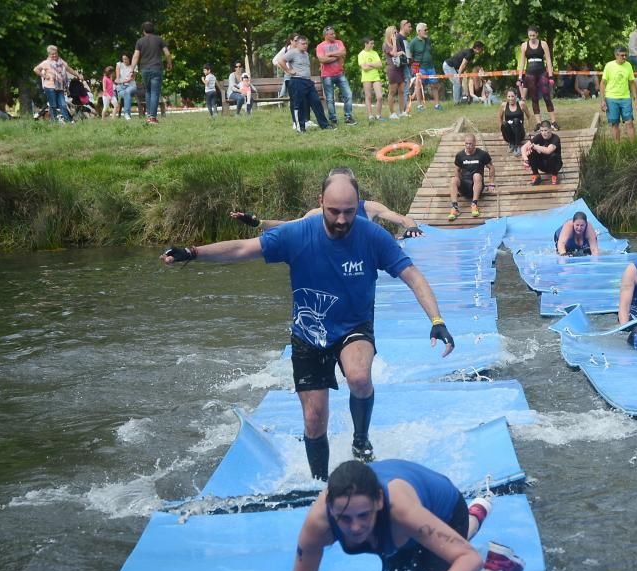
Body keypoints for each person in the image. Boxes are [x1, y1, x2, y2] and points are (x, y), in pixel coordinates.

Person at [161, 169, 454, 474]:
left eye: (349, 212)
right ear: (320, 203)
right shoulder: (298, 233)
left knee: (359, 377)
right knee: (314, 422)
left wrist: (436, 319)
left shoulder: (372, 236)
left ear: (358, 205)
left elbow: (413, 275)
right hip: (308, 334)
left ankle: (361, 439)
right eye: (334, 212)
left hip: (354, 326)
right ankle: (320, 484)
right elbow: (241, 248)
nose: (342, 220)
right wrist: (193, 252)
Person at [281, 459, 524, 571]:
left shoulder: (401, 511)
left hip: (444, 512)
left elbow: (469, 558)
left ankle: (498, 568)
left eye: (363, 516)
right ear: (331, 508)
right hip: (413, 524)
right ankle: (477, 514)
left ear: (378, 501)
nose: (355, 528)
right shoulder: (317, 526)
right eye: (344, 519)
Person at [230, 171, 425, 239]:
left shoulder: (369, 207)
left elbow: (403, 219)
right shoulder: (317, 213)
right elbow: (289, 226)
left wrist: (412, 227)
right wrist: (257, 222)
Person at [278, 34, 332, 132]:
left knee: (316, 102)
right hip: (297, 81)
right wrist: (288, 70)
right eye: (303, 44)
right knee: (299, 105)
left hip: (308, 82)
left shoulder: (306, 54)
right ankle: (300, 127)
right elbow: (280, 60)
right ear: (297, 44)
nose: (305, 45)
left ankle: (325, 125)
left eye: (306, 43)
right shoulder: (292, 52)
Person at [132, 21, 173, 124]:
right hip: (156, 68)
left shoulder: (140, 41)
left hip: (145, 69)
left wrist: (132, 69)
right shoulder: (159, 39)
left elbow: (136, 56)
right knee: (155, 92)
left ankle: (149, 116)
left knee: (148, 91)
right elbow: (167, 54)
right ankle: (153, 118)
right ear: (153, 29)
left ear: (143, 31)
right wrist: (169, 64)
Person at [517, 27, 557, 130]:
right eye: (530, 36)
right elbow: (522, 62)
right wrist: (520, 77)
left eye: (533, 35)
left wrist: (551, 76)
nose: (532, 38)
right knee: (534, 98)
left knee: (546, 96)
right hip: (530, 73)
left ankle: (553, 121)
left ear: (537, 34)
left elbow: (548, 60)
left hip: (542, 72)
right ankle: (538, 123)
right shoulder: (524, 45)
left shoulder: (543, 44)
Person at [316, 26, 357, 127]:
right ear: (326, 35)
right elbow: (322, 60)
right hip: (327, 75)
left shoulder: (339, 42)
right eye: (331, 34)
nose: (334, 35)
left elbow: (343, 52)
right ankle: (333, 119)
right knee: (330, 99)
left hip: (340, 73)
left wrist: (329, 54)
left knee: (348, 94)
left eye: (334, 33)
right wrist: (336, 57)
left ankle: (348, 117)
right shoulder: (320, 46)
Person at [448, 134, 494, 221]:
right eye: (467, 144)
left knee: (476, 175)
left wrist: (491, 183)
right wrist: (457, 187)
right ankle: (455, 207)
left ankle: (474, 204)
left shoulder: (482, 154)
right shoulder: (460, 155)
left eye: (471, 144)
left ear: (475, 143)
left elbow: (491, 167)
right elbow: (457, 170)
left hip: (477, 185)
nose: (468, 146)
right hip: (464, 186)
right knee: (453, 179)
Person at [34, 45, 83, 123]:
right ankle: (54, 122)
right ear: (48, 54)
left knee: (63, 105)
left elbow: (68, 69)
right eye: (52, 54)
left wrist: (77, 75)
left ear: (57, 53)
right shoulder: (46, 63)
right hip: (49, 87)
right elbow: (36, 69)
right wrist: (44, 76)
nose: (54, 55)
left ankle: (68, 121)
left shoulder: (61, 62)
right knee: (53, 105)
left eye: (55, 53)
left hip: (60, 87)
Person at [600, 46, 637, 142]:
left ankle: (633, 146)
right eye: (622, 55)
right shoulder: (609, 66)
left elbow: (631, 82)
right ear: (616, 55)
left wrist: (636, 98)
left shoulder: (628, 65)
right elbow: (603, 83)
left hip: (625, 98)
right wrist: (602, 100)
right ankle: (617, 147)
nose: (624, 57)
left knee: (629, 123)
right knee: (614, 124)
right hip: (611, 98)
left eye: (626, 55)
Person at [409, 23, 442, 111]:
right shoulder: (413, 42)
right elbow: (410, 56)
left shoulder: (428, 40)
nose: (427, 31)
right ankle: (419, 105)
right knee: (419, 85)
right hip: (421, 67)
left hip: (431, 67)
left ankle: (437, 104)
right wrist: (415, 68)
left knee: (434, 85)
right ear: (419, 31)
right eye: (425, 30)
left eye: (427, 30)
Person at [527, 120, 562, 186]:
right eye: (541, 131)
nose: (543, 133)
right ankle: (536, 175)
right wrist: (526, 160)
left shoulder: (556, 138)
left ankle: (554, 176)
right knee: (530, 152)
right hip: (543, 165)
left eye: (545, 130)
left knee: (553, 155)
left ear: (550, 129)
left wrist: (535, 146)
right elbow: (524, 147)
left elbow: (548, 151)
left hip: (555, 165)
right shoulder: (539, 136)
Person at [358, 37, 384, 122]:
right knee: (368, 96)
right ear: (366, 44)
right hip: (366, 78)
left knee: (379, 96)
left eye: (373, 43)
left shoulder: (375, 53)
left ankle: (378, 115)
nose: (373, 45)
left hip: (376, 77)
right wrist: (374, 65)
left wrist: (369, 64)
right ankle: (370, 116)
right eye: (371, 43)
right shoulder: (361, 54)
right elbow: (364, 68)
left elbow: (380, 65)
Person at [383, 25, 405, 120]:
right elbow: (394, 53)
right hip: (392, 69)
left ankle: (401, 111)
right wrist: (395, 42)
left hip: (400, 68)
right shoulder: (386, 45)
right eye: (394, 33)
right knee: (392, 91)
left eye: (396, 33)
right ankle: (392, 113)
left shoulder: (397, 44)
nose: (396, 35)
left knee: (401, 90)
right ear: (389, 34)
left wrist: (399, 52)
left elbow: (402, 53)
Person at [498, 89, 526, 154]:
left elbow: (529, 116)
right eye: (509, 96)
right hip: (508, 134)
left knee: (516, 120)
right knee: (504, 123)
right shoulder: (503, 105)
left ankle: (517, 145)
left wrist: (529, 129)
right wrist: (501, 130)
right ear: (506, 97)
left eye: (512, 96)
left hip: (519, 133)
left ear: (516, 96)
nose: (511, 98)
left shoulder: (521, 104)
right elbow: (499, 117)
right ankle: (511, 143)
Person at [398, 20, 415, 113]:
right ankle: (402, 111)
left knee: (406, 89)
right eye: (409, 26)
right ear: (403, 26)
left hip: (407, 66)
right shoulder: (398, 38)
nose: (410, 29)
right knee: (404, 89)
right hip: (403, 67)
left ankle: (403, 110)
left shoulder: (405, 39)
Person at [115, 54, 137, 119]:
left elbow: (131, 79)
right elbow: (117, 79)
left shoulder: (133, 66)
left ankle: (126, 113)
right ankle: (128, 115)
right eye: (123, 59)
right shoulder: (119, 65)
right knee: (126, 93)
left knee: (127, 92)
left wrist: (122, 81)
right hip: (121, 88)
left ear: (129, 59)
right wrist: (122, 81)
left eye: (126, 59)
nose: (124, 60)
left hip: (131, 86)